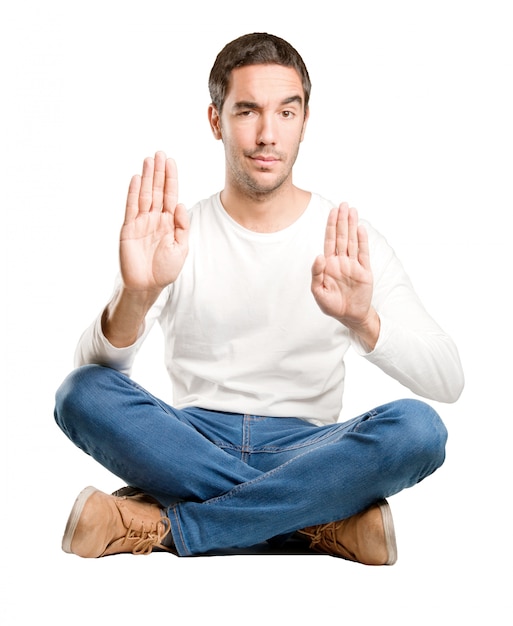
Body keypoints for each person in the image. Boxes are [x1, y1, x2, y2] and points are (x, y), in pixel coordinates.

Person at [54, 32, 464, 565]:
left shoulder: (346, 238)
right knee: (78, 392)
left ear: (305, 121)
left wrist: (365, 321)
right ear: (216, 121)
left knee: (420, 429)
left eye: (286, 112)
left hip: (311, 450)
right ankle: (318, 520)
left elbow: (448, 380)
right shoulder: (178, 233)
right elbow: (93, 382)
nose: (268, 134)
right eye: (247, 111)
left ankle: (165, 526)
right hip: (188, 442)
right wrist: (138, 292)